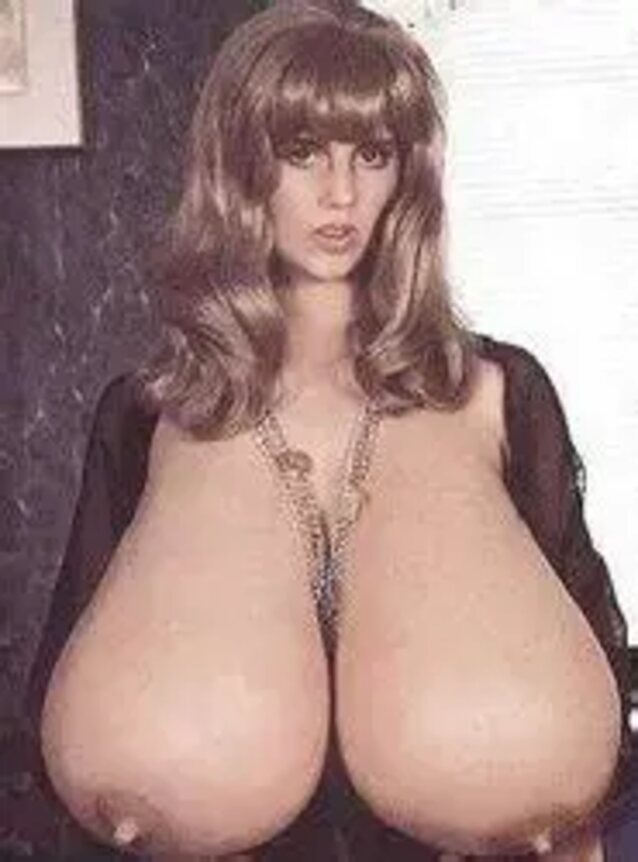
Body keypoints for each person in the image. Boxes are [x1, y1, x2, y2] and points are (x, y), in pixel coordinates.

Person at [13, 1, 632, 859]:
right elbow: (69, 685)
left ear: (407, 175)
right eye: (302, 151)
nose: (340, 194)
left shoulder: (499, 392)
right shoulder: (151, 411)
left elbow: (589, 646)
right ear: (239, 166)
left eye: (372, 154)